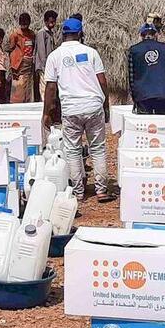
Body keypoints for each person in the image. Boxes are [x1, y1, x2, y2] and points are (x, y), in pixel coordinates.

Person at [42, 17, 113, 203]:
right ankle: (101, 191)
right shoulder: (91, 53)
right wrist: (105, 104)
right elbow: (102, 81)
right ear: (80, 33)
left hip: (71, 108)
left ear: (63, 34)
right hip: (93, 105)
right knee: (97, 148)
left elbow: (50, 87)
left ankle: (79, 193)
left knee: (72, 150)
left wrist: (47, 112)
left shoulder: (54, 56)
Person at [127, 24, 165, 114]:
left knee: (146, 126)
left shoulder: (134, 50)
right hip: (164, 94)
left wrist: (135, 97)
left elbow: (131, 77)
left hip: (142, 95)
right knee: (163, 125)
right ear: (156, 35)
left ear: (141, 35)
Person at [6, 12, 37, 103]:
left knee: (28, 87)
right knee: (19, 87)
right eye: (22, 23)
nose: (24, 25)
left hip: (29, 63)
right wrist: (13, 66)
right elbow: (11, 50)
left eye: (26, 23)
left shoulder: (32, 34)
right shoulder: (15, 35)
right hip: (19, 64)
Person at [34, 10, 59, 101]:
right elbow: (41, 52)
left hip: (49, 65)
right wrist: (45, 67)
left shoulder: (50, 33)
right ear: (45, 21)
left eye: (54, 22)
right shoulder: (42, 33)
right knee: (44, 88)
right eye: (51, 22)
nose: (53, 24)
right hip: (44, 66)